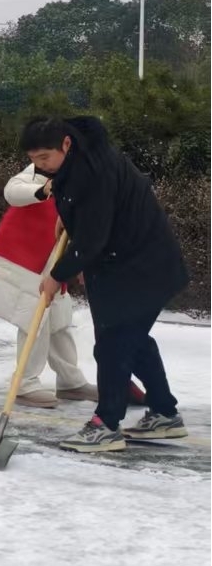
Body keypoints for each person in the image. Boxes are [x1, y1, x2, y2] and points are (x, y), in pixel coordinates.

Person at [21, 116, 190, 453]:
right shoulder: (81, 159)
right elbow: (90, 218)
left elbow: (94, 235)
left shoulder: (93, 170)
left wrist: (58, 274)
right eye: (34, 159)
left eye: (45, 159)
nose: (40, 167)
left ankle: (106, 425)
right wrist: (67, 218)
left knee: (113, 345)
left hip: (140, 265)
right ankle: (164, 413)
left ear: (66, 144)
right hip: (125, 262)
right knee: (132, 340)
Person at [0, 163, 94, 408]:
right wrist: (43, 190)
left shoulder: (87, 179)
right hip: (23, 255)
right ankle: (25, 383)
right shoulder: (39, 171)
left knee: (59, 320)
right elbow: (12, 191)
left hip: (53, 260)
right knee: (34, 318)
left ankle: (70, 381)